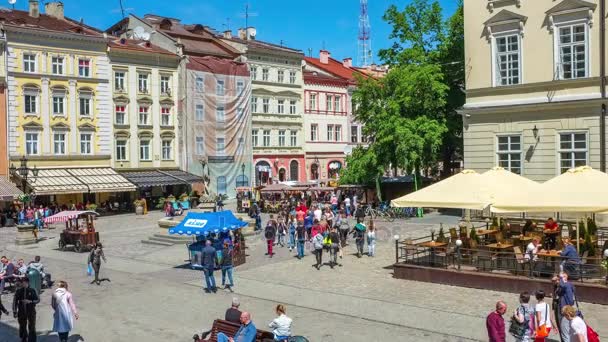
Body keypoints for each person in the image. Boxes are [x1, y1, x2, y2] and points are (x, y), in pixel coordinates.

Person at [13, 277, 39, 342]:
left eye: (24, 283)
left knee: (32, 326)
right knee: (22, 326)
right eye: (22, 283)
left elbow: (38, 300)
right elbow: (15, 301)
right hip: (21, 311)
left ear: (27, 283)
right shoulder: (18, 291)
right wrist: (14, 311)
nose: (23, 284)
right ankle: (23, 338)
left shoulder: (33, 290)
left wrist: (30, 301)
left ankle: (32, 340)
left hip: (31, 311)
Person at [556, 272, 576, 342]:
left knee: (564, 329)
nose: (559, 279)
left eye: (562, 277)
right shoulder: (563, 286)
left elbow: (570, 301)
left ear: (565, 277)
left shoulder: (567, 285)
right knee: (563, 328)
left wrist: (567, 308)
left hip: (565, 310)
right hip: (562, 308)